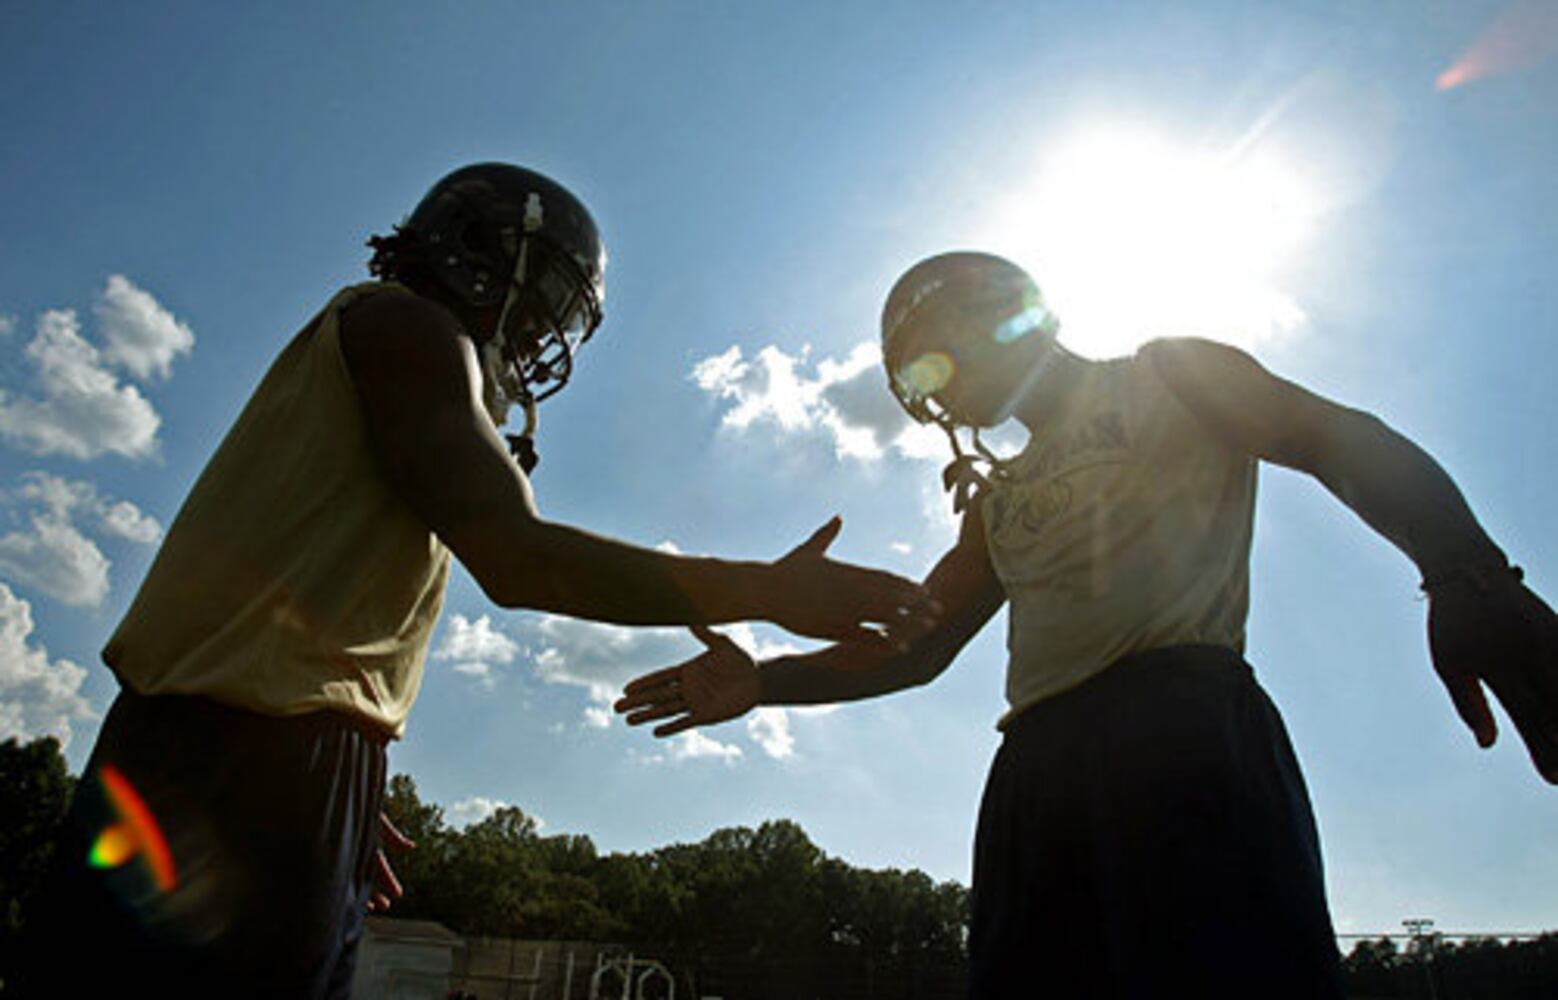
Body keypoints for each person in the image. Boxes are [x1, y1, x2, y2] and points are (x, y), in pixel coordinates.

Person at [23, 163, 938, 1000]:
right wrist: (766, 591)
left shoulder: (373, 344)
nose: (543, 329)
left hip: (239, 749)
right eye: (540, 296)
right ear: (480, 261)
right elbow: (516, 557)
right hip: (241, 759)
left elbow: (304, 600)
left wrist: (348, 762)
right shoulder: (406, 327)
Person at [615, 251, 1558, 998]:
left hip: (1186, 732)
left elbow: (1333, 438)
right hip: (1036, 774)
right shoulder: (998, 499)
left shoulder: (1170, 372)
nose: (944, 385)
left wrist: (1465, 572)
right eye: (923, 378)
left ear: (1008, 309)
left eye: (943, 349)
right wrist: (766, 680)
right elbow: (919, 646)